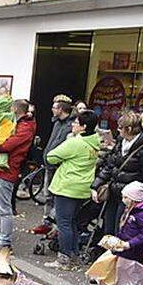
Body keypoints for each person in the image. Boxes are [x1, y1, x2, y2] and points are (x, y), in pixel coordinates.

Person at [45, 110, 101, 270]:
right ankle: (74, 256)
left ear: (83, 127)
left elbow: (51, 156)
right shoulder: (95, 142)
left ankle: (64, 258)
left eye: (76, 123)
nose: (72, 125)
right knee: (73, 222)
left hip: (67, 186)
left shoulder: (75, 143)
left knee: (63, 223)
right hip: (82, 187)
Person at [92, 110, 143, 237]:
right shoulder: (120, 142)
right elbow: (110, 165)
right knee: (109, 228)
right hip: (114, 192)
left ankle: (117, 256)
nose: (118, 130)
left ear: (128, 129)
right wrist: (95, 186)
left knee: (121, 231)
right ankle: (107, 255)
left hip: (130, 198)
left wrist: (139, 199)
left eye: (120, 128)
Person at [0, 98, 35, 250]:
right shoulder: (11, 123)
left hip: (5, 171)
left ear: (14, 110)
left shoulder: (25, 126)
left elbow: (5, 145)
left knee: (3, 209)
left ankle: (5, 242)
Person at [93, 181, 143, 285]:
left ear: (133, 199)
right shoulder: (130, 210)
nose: (123, 200)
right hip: (121, 247)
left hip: (132, 250)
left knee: (133, 272)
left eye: (126, 197)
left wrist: (129, 243)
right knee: (109, 267)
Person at [32, 95, 76, 234]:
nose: (51, 110)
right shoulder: (57, 122)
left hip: (59, 167)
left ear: (61, 109)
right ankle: (46, 222)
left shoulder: (71, 126)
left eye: (54, 107)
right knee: (48, 195)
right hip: (49, 165)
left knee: (57, 196)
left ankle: (55, 225)